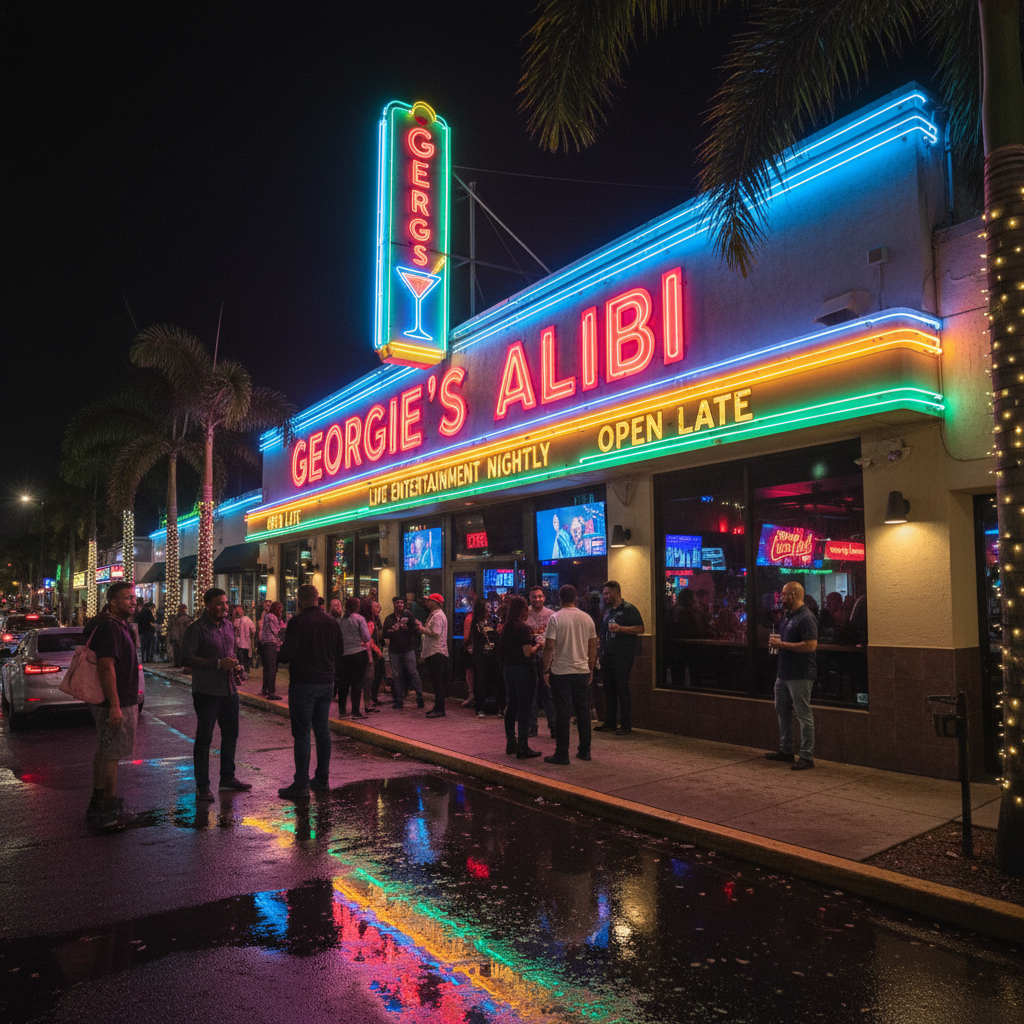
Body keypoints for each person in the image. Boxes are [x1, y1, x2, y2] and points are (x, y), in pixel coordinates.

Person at [181, 587, 252, 801]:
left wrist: (236, 666)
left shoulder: (228, 626)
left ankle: (227, 778)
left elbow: (231, 653)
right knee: (204, 738)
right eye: (219, 603)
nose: (224, 607)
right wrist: (218, 664)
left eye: (226, 603)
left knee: (231, 734)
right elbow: (186, 659)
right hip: (206, 692)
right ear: (208, 605)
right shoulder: (196, 629)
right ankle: (203, 785)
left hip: (229, 689)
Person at [276, 584, 344, 800]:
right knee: (322, 730)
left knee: (303, 733)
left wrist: (278, 653)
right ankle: (322, 778)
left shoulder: (297, 622)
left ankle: (301, 784)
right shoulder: (331, 622)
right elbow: (339, 651)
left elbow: (287, 654)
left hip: (304, 683)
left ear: (300, 600)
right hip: (326, 682)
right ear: (317, 599)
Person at [83, 581, 141, 830]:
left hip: (114, 700)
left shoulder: (114, 624)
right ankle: (109, 811)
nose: (133, 602)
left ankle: (97, 804)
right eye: (127, 598)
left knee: (105, 750)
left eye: (134, 598)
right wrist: (116, 705)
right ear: (112, 601)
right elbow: (107, 666)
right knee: (112, 755)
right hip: (115, 701)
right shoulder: (110, 627)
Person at [541, 584, 598, 765]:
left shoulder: (555, 618)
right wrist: (590, 668)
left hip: (561, 671)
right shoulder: (587, 618)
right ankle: (585, 750)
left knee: (562, 713)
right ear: (576, 598)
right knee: (583, 712)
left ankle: (562, 753)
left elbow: (549, 646)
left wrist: (546, 669)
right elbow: (592, 646)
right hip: (581, 670)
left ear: (560, 598)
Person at [765, 581, 818, 770]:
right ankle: (786, 750)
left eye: (784, 594)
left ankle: (806, 756)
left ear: (794, 595)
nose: (780, 598)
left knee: (803, 714)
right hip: (784, 672)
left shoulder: (806, 617)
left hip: (801, 674)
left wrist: (783, 646)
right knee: (781, 710)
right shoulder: (787, 616)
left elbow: (811, 645)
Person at [596, 580, 645, 736]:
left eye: (607, 593)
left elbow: (641, 628)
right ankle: (609, 722)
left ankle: (625, 725)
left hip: (623, 655)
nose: (605, 596)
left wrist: (620, 629)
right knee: (609, 689)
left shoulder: (629, 609)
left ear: (617, 592)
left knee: (621, 688)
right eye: (604, 594)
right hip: (607, 655)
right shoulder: (607, 611)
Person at [497, 595, 543, 759]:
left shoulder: (506, 627)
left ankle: (511, 742)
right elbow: (527, 652)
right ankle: (523, 746)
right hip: (524, 671)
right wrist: (538, 645)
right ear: (522, 610)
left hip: (509, 670)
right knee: (525, 708)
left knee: (511, 706)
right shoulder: (522, 628)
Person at [382, 596, 424, 709]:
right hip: (394, 650)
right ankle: (399, 700)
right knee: (397, 676)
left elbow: (416, 630)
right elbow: (384, 634)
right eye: (397, 603)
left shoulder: (409, 616)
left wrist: (407, 629)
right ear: (394, 604)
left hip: (408, 649)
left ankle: (420, 698)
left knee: (413, 673)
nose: (399, 605)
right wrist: (392, 631)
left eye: (401, 602)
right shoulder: (389, 619)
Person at [526, 586, 555, 736]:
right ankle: (532, 726)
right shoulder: (525, 615)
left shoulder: (552, 615)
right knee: (532, 693)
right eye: (534, 597)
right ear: (529, 598)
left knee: (549, 693)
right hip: (530, 659)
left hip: (547, 658)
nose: (537, 599)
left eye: (540, 596)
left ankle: (554, 726)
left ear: (544, 597)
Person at [338, 596, 371, 718]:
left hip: (344, 655)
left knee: (344, 683)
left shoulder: (341, 620)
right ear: (357, 607)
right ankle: (355, 711)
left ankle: (342, 709)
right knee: (357, 683)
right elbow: (366, 637)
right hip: (358, 653)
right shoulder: (359, 619)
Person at [418, 593, 449, 718]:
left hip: (436, 652)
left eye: (430, 600)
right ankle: (438, 707)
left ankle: (440, 708)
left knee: (438, 682)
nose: (427, 602)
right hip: (433, 651)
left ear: (436, 603)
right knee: (436, 681)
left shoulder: (437, 616)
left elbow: (436, 633)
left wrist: (422, 629)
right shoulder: (435, 615)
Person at [466, 597, 496, 717]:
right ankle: (480, 707)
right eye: (486, 607)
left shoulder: (494, 620)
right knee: (480, 679)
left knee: (493, 679)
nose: (488, 610)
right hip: (480, 654)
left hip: (493, 654)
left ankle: (494, 707)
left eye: (489, 607)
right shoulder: (476, 622)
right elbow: (471, 638)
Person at [259, 600, 285, 699]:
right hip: (271, 644)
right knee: (272, 668)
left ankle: (265, 688)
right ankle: (271, 692)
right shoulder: (272, 617)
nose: (281, 611)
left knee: (267, 667)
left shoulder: (268, 616)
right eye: (280, 609)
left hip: (266, 643)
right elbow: (276, 631)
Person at [232, 603, 255, 683]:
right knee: (246, 658)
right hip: (246, 642)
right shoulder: (247, 619)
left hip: (238, 643)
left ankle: (240, 672)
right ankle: (245, 672)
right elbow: (253, 630)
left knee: (240, 658)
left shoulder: (235, 621)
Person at [167, 603, 192, 668]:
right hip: (180, 636)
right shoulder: (187, 618)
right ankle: (180, 663)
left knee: (177, 650)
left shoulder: (178, 618)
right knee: (179, 650)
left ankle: (177, 663)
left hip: (177, 636)